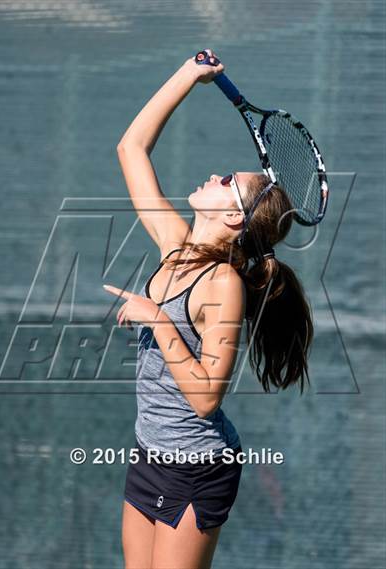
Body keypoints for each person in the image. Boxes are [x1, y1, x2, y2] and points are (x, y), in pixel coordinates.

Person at [103, 49, 314, 569]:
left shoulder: (222, 283)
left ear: (236, 219)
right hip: (150, 450)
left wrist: (156, 319)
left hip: (197, 466)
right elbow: (131, 148)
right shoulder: (174, 245)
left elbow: (204, 398)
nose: (215, 176)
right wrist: (188, 75)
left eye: (227, 183)